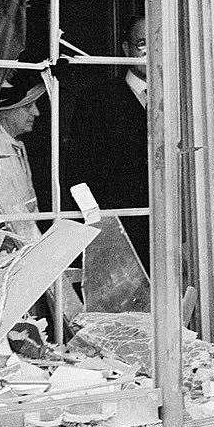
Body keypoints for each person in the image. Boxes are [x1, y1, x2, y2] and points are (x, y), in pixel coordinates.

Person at [70, 15, 150, 266]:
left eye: (159, 41)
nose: (152, 51)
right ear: (126, 49)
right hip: (119, 226)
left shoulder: (183, 96)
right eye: (142, 43)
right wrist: (96, 225)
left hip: (175, 226)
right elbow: (78, 170)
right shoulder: (96, 100)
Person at [0, 71, 47, 243]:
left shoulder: (12, 144)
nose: (36, 113)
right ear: (4, 110)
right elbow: (10, 212)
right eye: (28, 106)